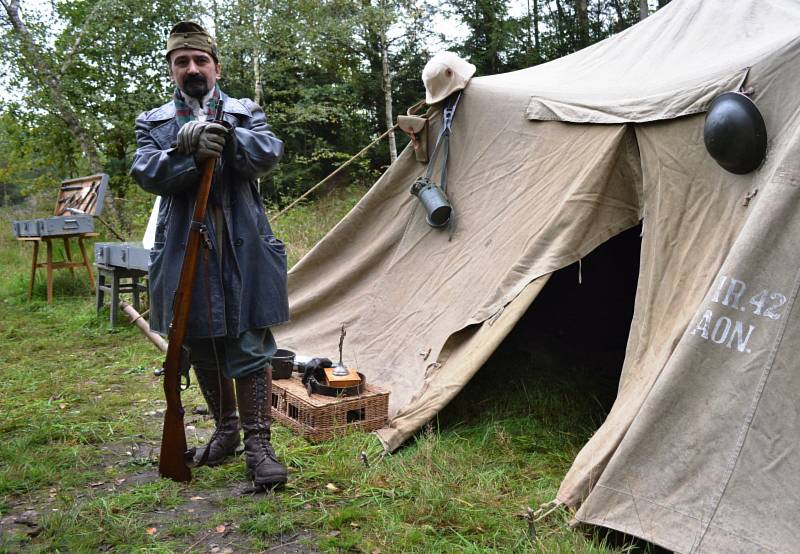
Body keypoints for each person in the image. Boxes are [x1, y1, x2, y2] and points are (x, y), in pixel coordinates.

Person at [130, 21, 289, 488]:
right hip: (185, 251)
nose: (193, 68)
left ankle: (260, 448)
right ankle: (226, 430)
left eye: (201, 60)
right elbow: (146, 171)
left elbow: (267, 152)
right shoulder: (153, 122)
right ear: (172, 71)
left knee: (249, 344)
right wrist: (188, 153)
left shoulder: (246, 111)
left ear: (216, 68)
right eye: (182, 62)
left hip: (244, 248)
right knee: (198, 343)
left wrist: (229, 139)